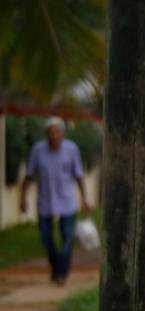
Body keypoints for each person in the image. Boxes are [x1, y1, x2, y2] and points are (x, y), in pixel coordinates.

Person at [19, 117, 90, 285]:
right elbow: (28, 176)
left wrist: (85, 198)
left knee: (67, 239)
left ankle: (61, 273)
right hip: (45, 201)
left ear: (62, 133)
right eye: (51, 133)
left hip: (67, 201)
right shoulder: (38, 150)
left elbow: (79, 175)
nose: (54, 136)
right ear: (46, 134)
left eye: (57, 132)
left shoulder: (72, 149)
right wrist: (22, 199)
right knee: (46, 238)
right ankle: (57, 267)